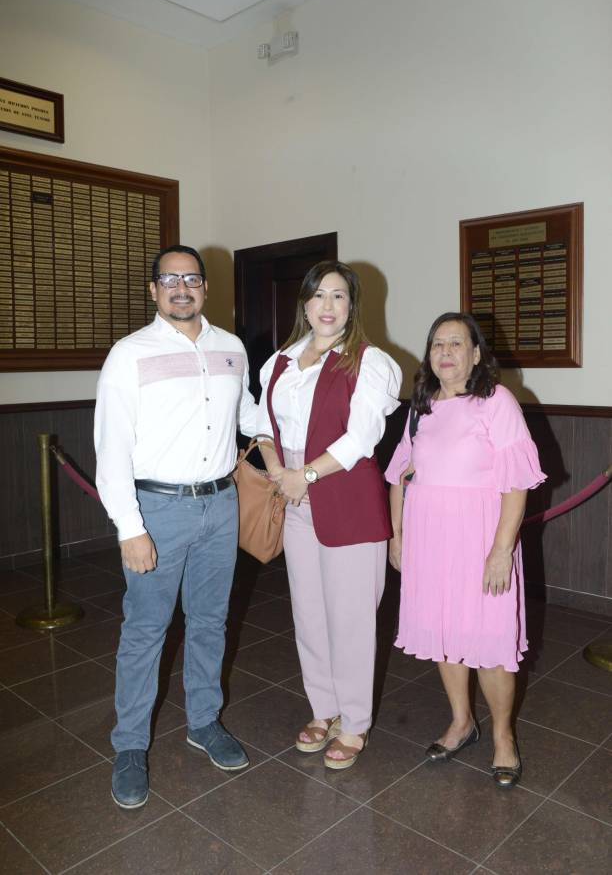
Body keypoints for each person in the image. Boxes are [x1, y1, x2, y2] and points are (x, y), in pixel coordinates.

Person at [95, 244, 258, 809]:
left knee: (211, 621)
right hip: (157, 511)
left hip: (220, 504)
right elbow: (111, 449)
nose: (181, 288)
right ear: (153, 290)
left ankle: (204, 722)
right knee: (145, 630)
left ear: (206, 288)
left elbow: (250, 418)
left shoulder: (231, 348)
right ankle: (130, 747)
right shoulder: (129, 354)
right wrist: (129, 528)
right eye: (170, 279)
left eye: (191, 278)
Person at [386, 312, 546, 788]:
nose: (446, 353)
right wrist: (397, 536)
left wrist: (501, 551)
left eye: (457, 344)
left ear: (476, 355)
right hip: (429, 538)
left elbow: (516, 484)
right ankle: (461, 721)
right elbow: (401, 475)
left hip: (481, 539)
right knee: (444, 633)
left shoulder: (496, 401)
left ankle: (503, 735)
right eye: (437, 344)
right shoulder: (421, 406)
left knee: (491, 643)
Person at [257, 261, 402, 769]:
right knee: (309, 613)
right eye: (318, 295)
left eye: (338, 296)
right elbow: (260, 423)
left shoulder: (371, 362)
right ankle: (324, 709)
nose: (327, 305)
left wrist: (306, 476)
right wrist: (278, 469)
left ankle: (356, 722)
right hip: (294, 494)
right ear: (304, 303)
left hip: (344, 495)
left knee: (352, 617)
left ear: (352, 305)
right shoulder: (279, 362)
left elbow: (362, 437)